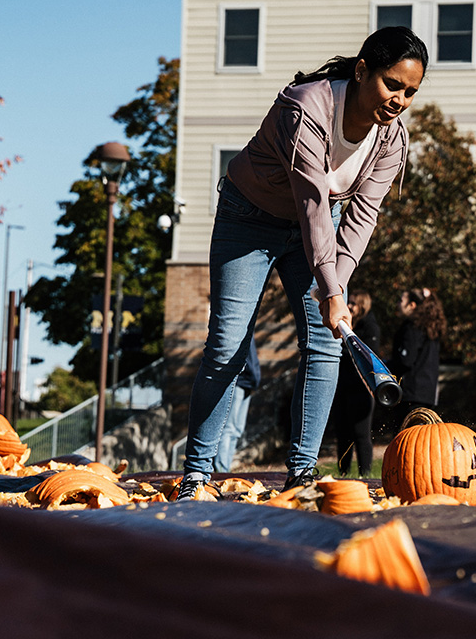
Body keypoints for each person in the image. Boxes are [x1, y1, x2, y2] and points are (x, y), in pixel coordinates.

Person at [177, 26, 429, 500]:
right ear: (361, 71)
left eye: (410, 92)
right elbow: (312, 201)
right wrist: (331, 291)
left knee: (325, 343)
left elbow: (361, 217)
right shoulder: (306, 106)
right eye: (391, 84)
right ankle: (196, 473)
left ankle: (303, 472)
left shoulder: (392, 140)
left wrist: (337, 287)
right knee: (228, 345)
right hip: (248, 219)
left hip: (315, 230)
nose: (399, 99)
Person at [330, 290, 380, 477]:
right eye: (348, 303)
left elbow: (369, 356)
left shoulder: (370, 327)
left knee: (361, 433)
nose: (349, 306)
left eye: (354, 304)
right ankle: (343, 472)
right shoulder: (343, 324)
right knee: (343, 433)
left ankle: (365, 473)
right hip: (342, 386)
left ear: (363, 306)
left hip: (361, 389)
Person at [389, 287, 446, 423]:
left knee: (406, 438)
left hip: (411, 392)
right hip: (428, 393)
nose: (397, 303)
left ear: (412, 305)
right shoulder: (431, 327)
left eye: (401, 300)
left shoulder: (412, 327)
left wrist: (387, 366)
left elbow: (406, 360)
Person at [214, 339, 261, 473]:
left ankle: (225, 468)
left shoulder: (250, 333)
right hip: (238, 383)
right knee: (229, 428)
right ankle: (221, 470)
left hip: (248, 386)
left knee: (237, 430)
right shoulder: (241, 329)